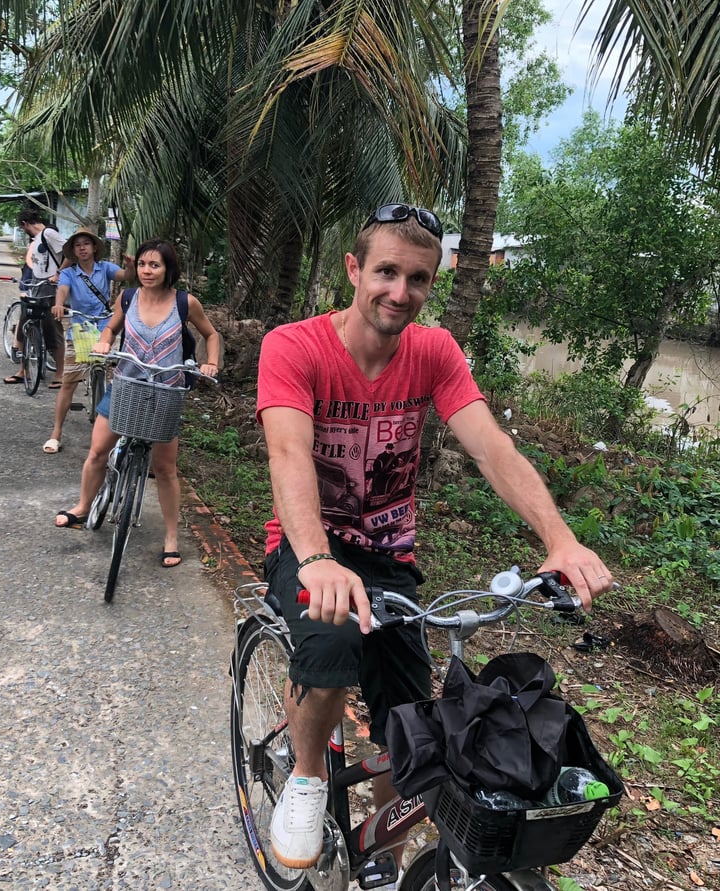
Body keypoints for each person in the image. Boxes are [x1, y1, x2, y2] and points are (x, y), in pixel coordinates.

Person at [256, 203, 614, 873]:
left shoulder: (434, 351)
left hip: (388, 554)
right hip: (312, 546)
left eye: (417, 278)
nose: (400, 292)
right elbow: (287, 453)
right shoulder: (294, 346)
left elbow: (492, 449)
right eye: (386, 271)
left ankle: (381, 852)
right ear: (354, 269)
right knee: (332, 641)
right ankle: (306, 777)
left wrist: (560, 539)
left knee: (414, 724)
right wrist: (314, 559)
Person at [54, 238, 221, 569]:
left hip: (167, 389)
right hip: (126, 385)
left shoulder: (186, 303)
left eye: (155, 265)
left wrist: (211, 362)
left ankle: (171, 537)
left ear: (168, 269)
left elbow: (211, 334)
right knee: (98, 452)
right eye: (143, 264)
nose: (147, 270)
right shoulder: (127, 298)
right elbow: (112, 327)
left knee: (165, 468)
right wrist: (103, 342)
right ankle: (84, 506)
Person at [41, 228, 135, 454]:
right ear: (73, 251)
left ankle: (106, 430)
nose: (82, 248)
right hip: (80, 328)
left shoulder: (105, 268)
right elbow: (62, 291)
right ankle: (56, 433)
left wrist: (131, 266)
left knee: (106, 373)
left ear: (94, 248)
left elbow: (126, 276)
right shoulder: (69, 273)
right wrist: (59, 304)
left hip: (104, 328)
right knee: (69, 381)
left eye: (86, 243)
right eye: (77, 245)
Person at [3, 209, 68, 387]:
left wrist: (58, 273)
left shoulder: (49, 233)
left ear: (24, 224)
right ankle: (23, 371)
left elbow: (70, 253)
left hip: (52, 291)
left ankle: (60, 375)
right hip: (37, 289)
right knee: (25, 325)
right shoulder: (38, 238)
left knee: (53, 332)